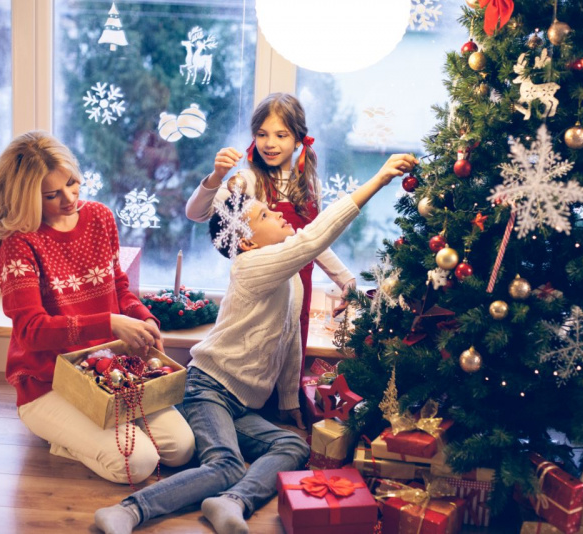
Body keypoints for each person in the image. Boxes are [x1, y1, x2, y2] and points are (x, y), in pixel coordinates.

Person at [94, 152, 418, 534]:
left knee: (293, 447)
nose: (280, 215)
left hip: (242, 403)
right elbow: (315, 238)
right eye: (265, 216)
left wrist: (289, 403)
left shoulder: (290, 279)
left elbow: (288, 343)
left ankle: (233, 501)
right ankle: (129, 510)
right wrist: (377, 180)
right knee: (225, 464)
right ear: (245, 243)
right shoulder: (251, 267)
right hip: (207, 389)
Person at [0, 131, 195, 484]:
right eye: (52, 195)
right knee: (137, 464)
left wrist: (142, 317)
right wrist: (110, 323)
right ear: (26, 198)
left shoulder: (99, 217)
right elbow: (32, 332)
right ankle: (61, 438)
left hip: (108, 373)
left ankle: (100, 424)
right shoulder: (18, 245)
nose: (69, 198)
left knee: (181, 449)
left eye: (72, 183)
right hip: (48, 384)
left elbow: (120, 289)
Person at [186, 93, 355, 370]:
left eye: (281, 135)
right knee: (261, 360)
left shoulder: (311, 186)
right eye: (262, 134)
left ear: (299, 140)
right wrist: (216, 176)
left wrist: (345, 279)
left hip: (301, 292)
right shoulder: (248, 181)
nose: (270, 143)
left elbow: (313, 240)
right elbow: (196, 213)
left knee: (290, 363)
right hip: (265, 297)